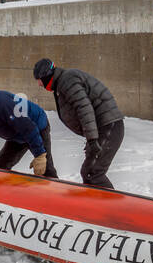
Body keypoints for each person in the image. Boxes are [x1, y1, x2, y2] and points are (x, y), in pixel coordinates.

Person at [33, 58, 124, 189]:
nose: (39, 84)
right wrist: (91, 138)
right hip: (103, 128)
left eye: (39, 80)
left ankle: (113, 208)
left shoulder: (67, 80)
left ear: (46, 76)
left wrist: (92, 140)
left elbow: (84, 109)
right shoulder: (62, 82)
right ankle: (97, 206)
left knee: (92, 173)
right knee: (89, 173)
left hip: (109, 126)